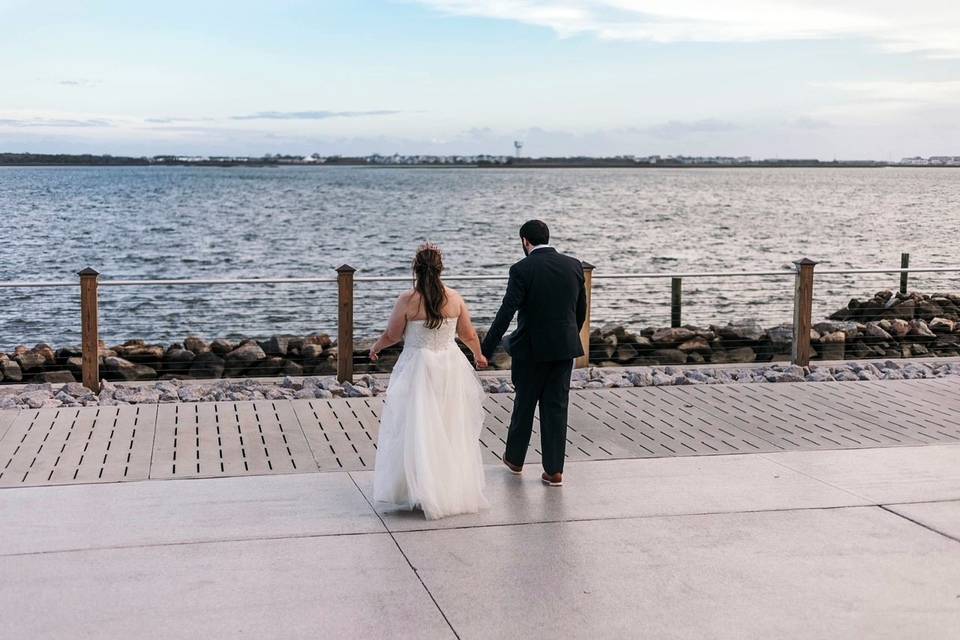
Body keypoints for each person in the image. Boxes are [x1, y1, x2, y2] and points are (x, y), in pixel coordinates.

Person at [370, 243, 490, 520]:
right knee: (449, 425)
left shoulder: (408, 300)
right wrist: (478, 355)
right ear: (440, 269)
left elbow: (392, 335)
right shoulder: (455, 298)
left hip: (418, 366)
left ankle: (419, 488)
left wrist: (376, 348)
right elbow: (468, 334)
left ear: (415, 269)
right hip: (450, 365)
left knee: (416, 426)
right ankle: (446, 488)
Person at [481, 220, 586, 487]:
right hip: (564, 349)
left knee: (525, 403)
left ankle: (515, 459)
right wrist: (568, 337)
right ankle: (554, 471)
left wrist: (485, 349)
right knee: (556, 407)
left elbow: (506, 313)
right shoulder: (574, 265)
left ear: (525, 241)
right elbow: (580, 311)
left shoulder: (521, 269)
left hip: (531, 350)